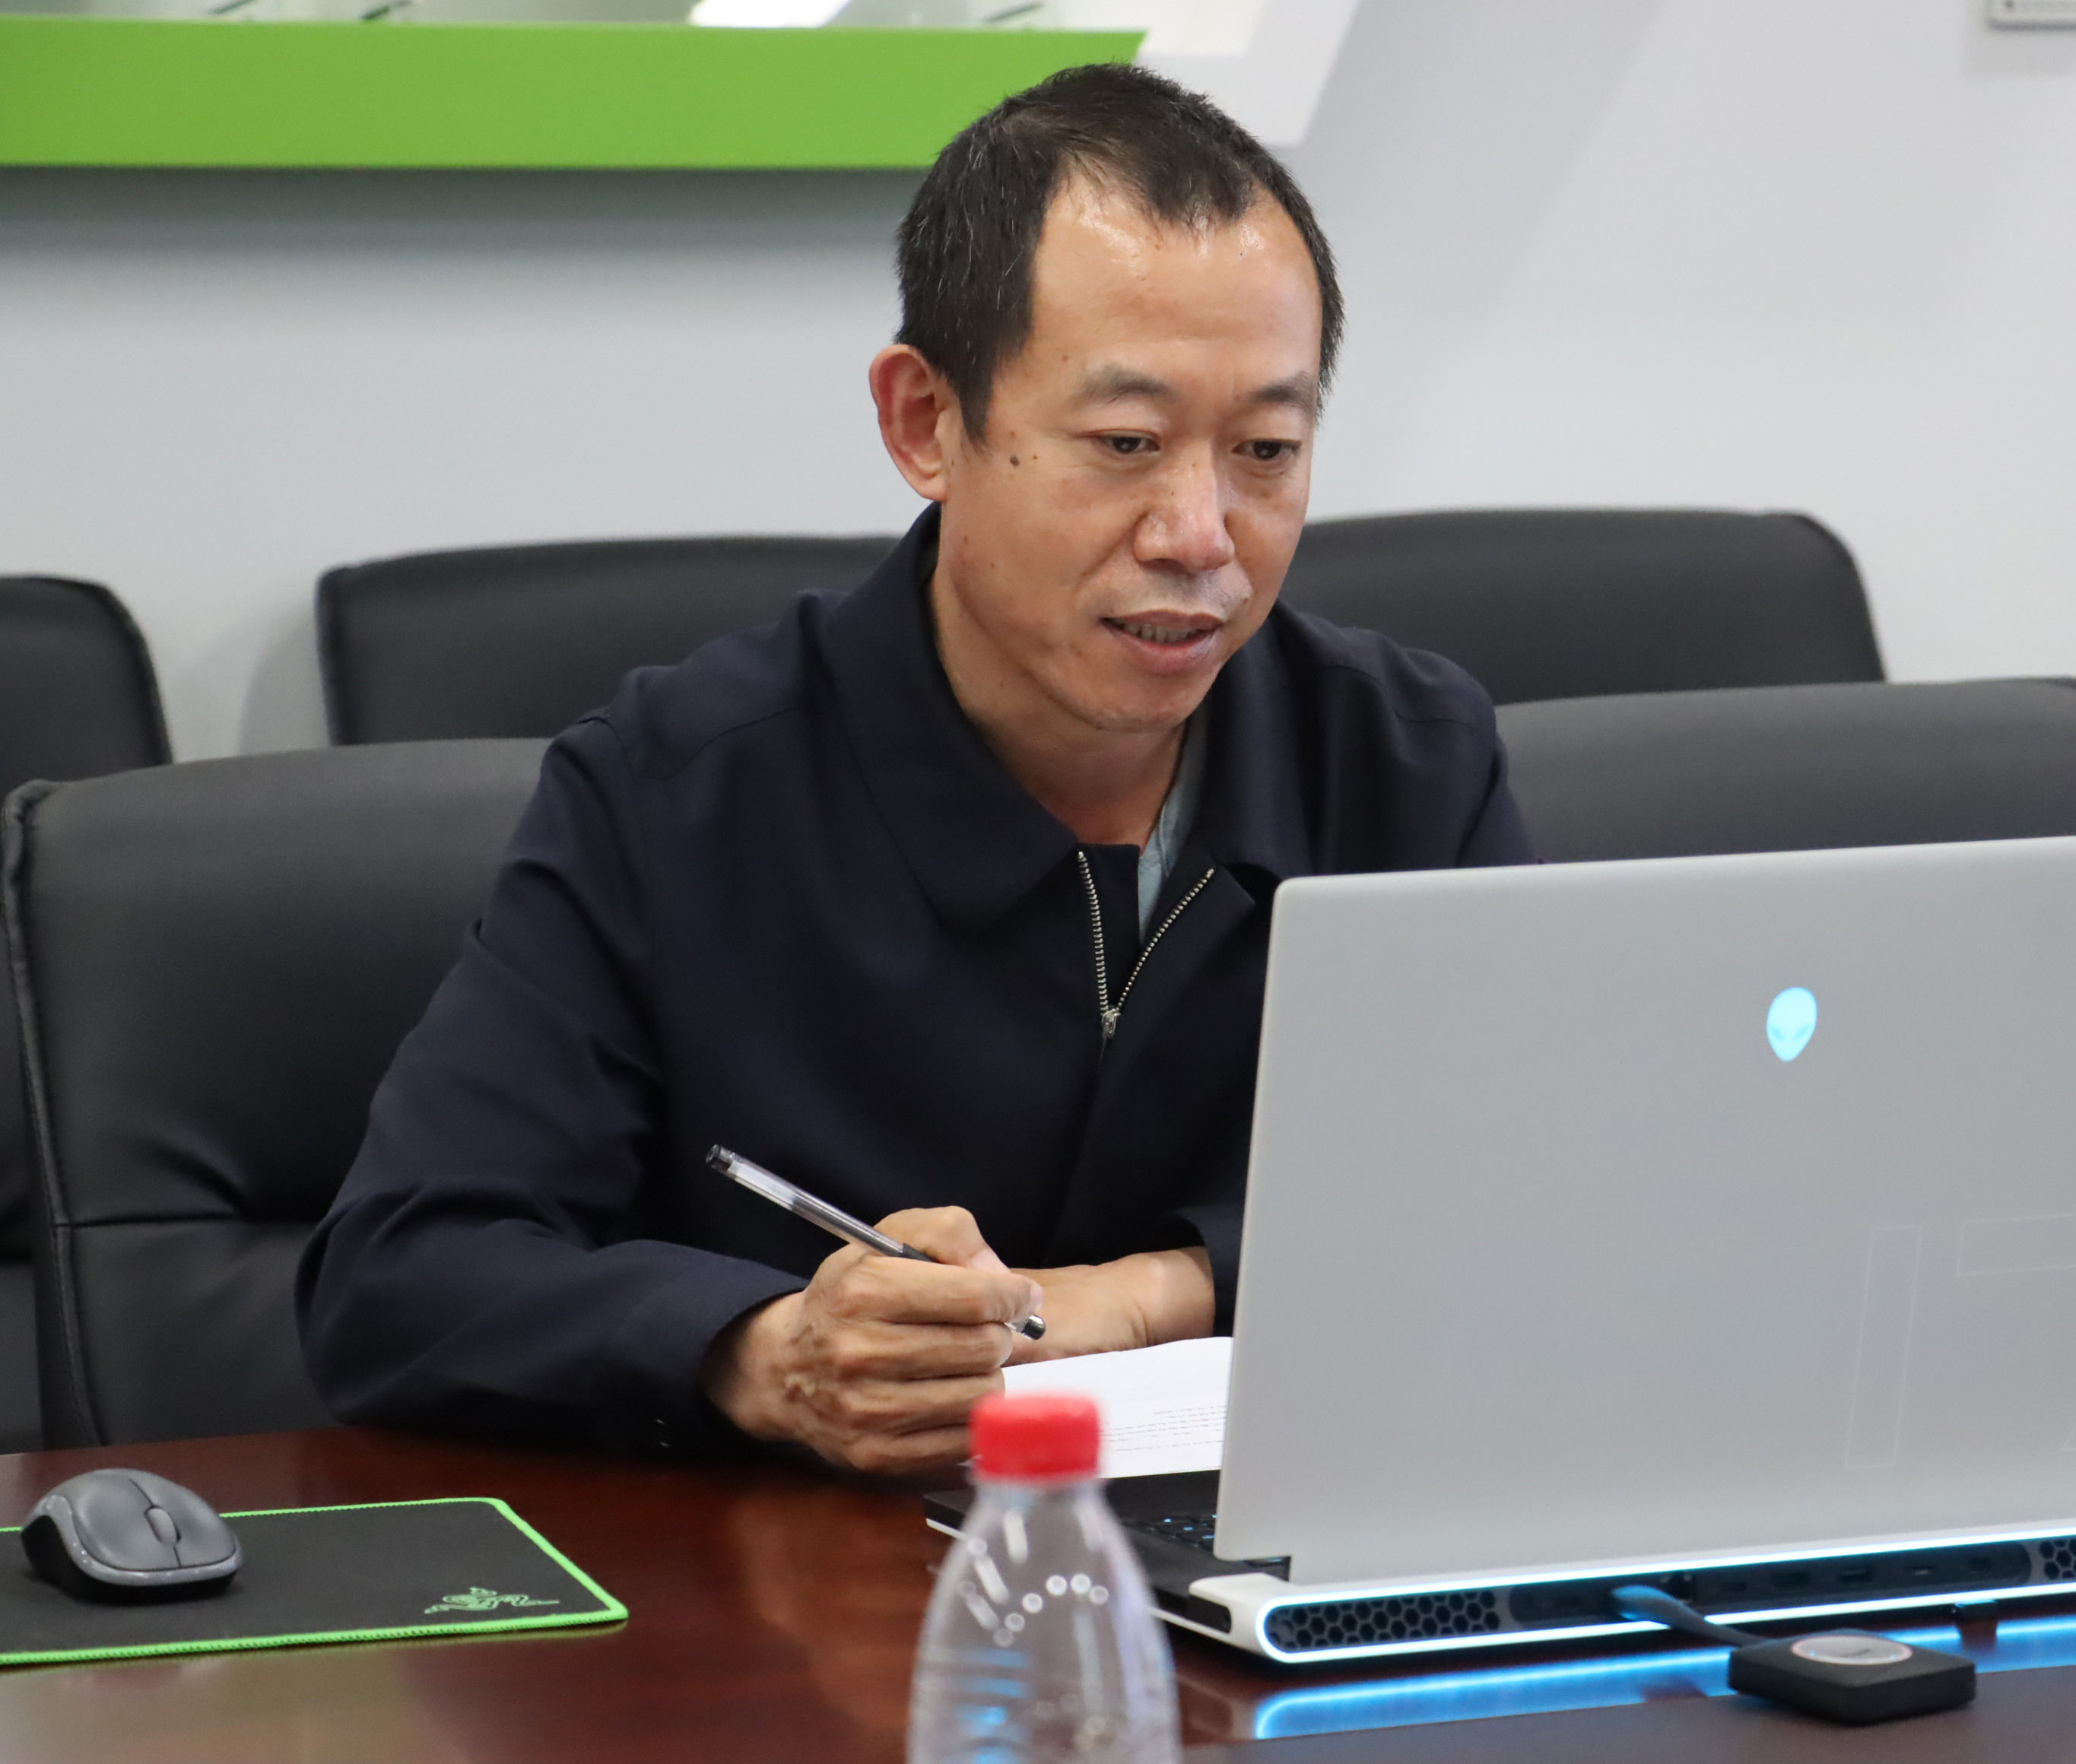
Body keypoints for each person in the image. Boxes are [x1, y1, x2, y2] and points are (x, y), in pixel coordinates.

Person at [295, 64, 1532, 1475]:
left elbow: (1536, 1201)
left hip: (1266, 1559)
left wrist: (1142, 1295)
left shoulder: (1403, 758)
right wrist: (761, 1351)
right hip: (804, 1581)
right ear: (925, 423)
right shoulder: (678, 792)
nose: (1201, 534)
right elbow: (398, 1278)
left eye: (1265, 449)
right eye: (1125, 445)